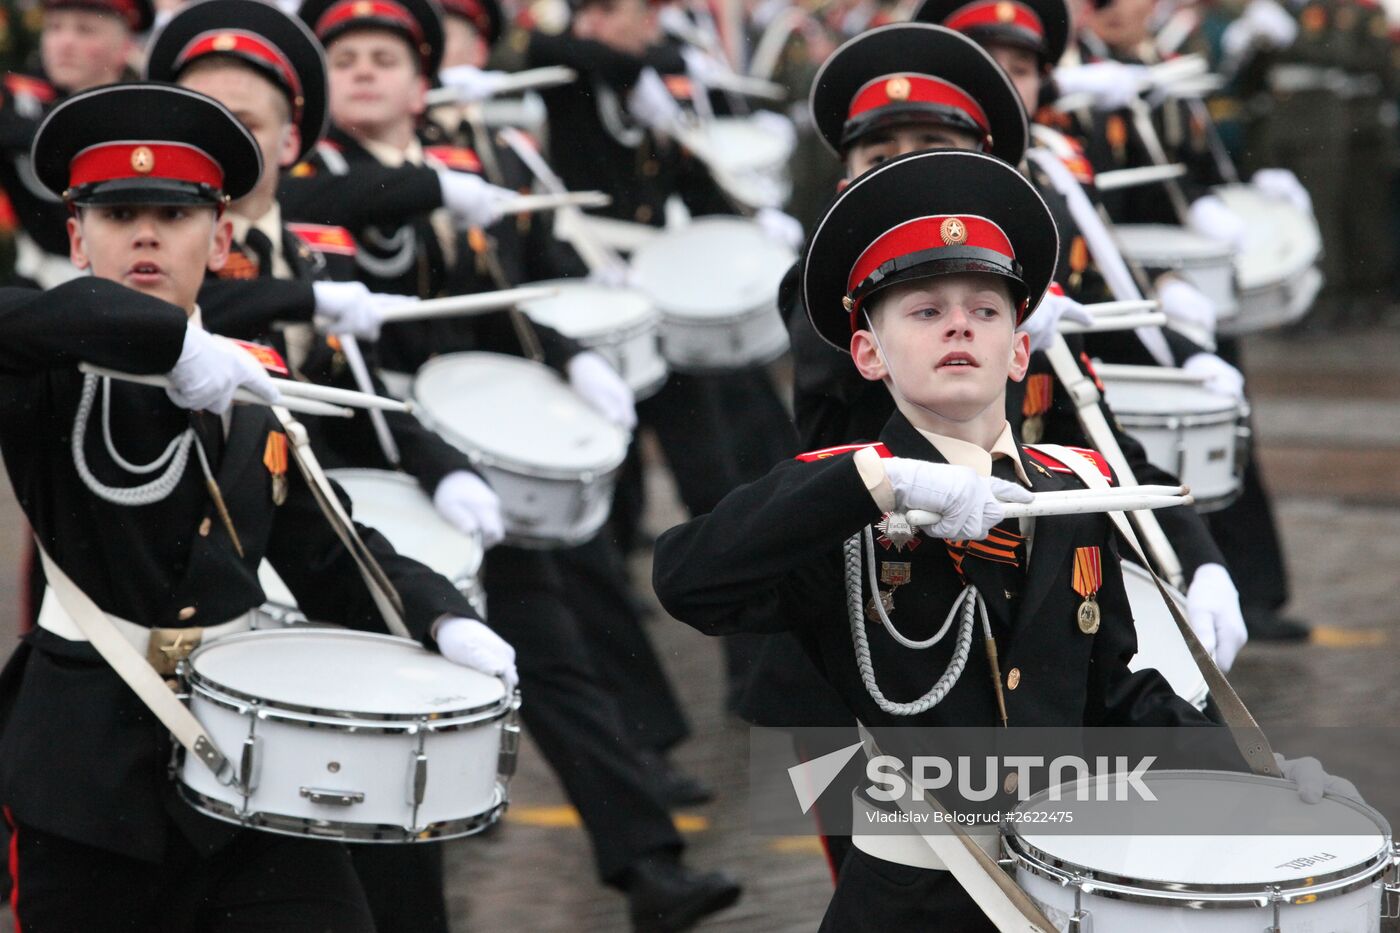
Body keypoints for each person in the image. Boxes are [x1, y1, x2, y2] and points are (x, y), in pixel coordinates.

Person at [652, 148, 1355, 930]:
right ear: (867, 353)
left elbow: (1123, 691)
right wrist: (881, 482)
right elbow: (689, 579)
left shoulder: (1070, 484)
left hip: (1071, 884)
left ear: (1019, 349)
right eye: (924, 311)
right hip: (915, 896)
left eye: (986, 310)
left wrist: (1254, 781)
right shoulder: (842, 506)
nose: (959, 323)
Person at [0, 80, 515, 932]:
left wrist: (442, 618)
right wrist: (171, 343)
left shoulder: (249, 378)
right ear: (75, 238)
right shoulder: (44, 370)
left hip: (253, 772)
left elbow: (333, 551)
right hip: (84, 782)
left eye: (174, 215)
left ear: (223, 235)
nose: (146, 235)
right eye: (118, 213)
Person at [0, 0, 152, 289]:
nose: (65, 43)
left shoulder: (147, 114)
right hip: (40, 277)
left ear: (123, 47)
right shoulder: (18, 103)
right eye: (54, 28)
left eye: (85, 30)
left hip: (129, 280)